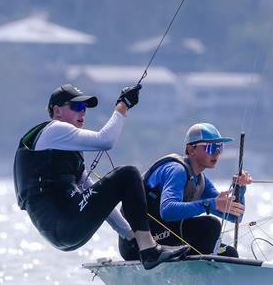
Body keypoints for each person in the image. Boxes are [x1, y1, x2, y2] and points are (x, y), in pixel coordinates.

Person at [13, 83, 189, 269]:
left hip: (66, 231)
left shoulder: (66, 150)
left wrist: (129, 235)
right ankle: (149, 251)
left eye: (85, 108)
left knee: (124, 178)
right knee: (128, 174)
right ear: (57, 111)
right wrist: (123, 105)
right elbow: (105, 140)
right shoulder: (55, 130)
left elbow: (92, 192)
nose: (82, 113)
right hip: (63, 225)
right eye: (77, 107)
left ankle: (143, 247)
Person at [133, 123, 252, 259]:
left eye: (220, 147)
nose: (216, 153)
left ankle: (200, 274)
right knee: (210, 226)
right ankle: (189, 272)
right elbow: (167, 211)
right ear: (191, 150)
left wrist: (240, 187)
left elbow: (235, 216)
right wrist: (210, 204)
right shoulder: (176, 170)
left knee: (229, 253)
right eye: (210, 147)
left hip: (164, 236)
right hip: (139, 243)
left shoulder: (201, 181)